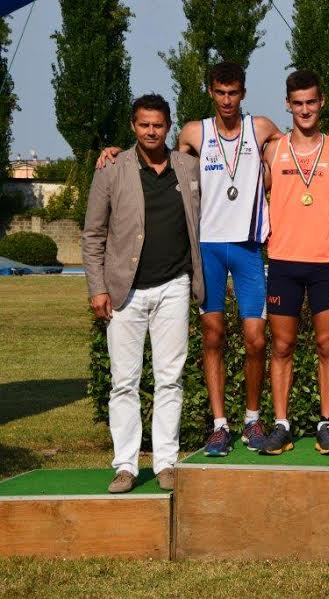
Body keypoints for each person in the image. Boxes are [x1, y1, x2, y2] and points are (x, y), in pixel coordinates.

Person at [97, 62, 329, 457]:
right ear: (211, 93)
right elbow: (159, 158)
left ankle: (253, 420)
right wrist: (117, 152)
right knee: (213, 336)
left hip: (249, 248)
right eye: (220, 92)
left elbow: (301, 147)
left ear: (243, 94)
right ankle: (219, 425)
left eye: (233, 93)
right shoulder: (193, 133)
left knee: (256, 339)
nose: (227, 100)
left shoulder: (262, 129)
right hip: (209, 248)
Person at [82, 94, 203, 493]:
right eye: (144, 124)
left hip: (174, 286)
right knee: (124, 382)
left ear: (169, 126)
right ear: (134, 126)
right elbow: (93, 234)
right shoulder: (112, 168)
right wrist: (98, 287)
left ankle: (166, 463)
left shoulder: (188, 167)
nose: (151, 131)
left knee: (170, 379)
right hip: (124, 291)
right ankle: (126, 467)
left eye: (158, 125)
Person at [257, 69, 329, 455]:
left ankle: (326, 424)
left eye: (311, 102)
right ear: (288, 105)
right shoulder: (273, 150)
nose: (305, 110)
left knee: (327, 344)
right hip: (284, 261)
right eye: (298, 103)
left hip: (326, 261)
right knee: (282, 345)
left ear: (321, 102)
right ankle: (281, 424)